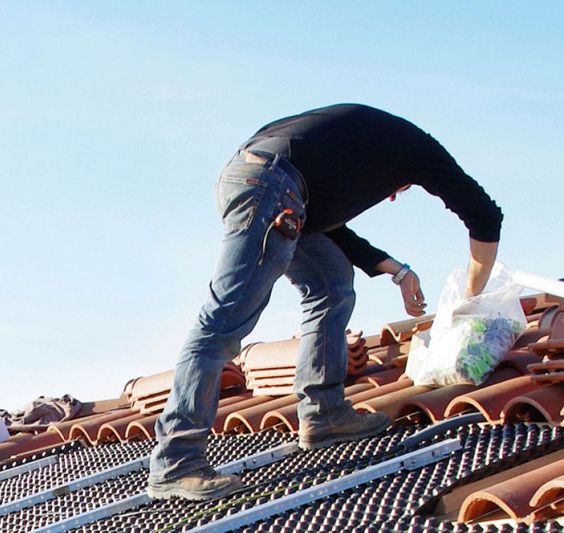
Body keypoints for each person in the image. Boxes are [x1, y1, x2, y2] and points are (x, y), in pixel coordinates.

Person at [147, 104, 503, 501]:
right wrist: (470, 297)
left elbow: (321, 225)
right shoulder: (415, 148)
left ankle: (323, 414)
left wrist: (398, 272)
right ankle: (176, 460)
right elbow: (484, 214)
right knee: (224, 319)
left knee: (331, 282)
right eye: (399, 191)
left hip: (259, 179)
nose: (392, 197)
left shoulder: (352, 147)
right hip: (268, 184)